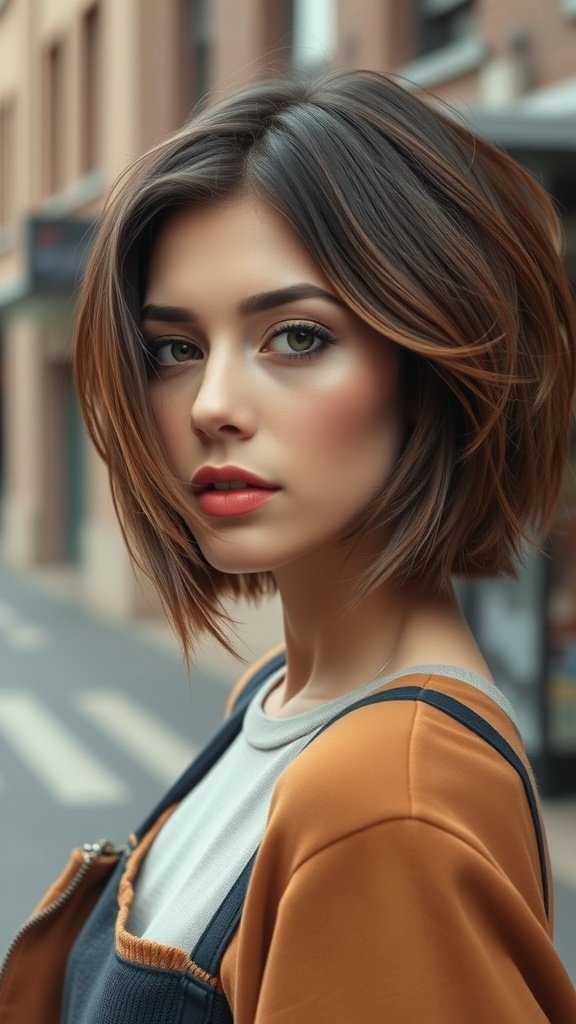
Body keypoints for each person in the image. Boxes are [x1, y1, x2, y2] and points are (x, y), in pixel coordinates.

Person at [60, 70, 576, 1020]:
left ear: (429, 361)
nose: (212, 404)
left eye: (295, 336)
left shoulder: (387, 802)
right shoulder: (278, 700)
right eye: (175, 348)